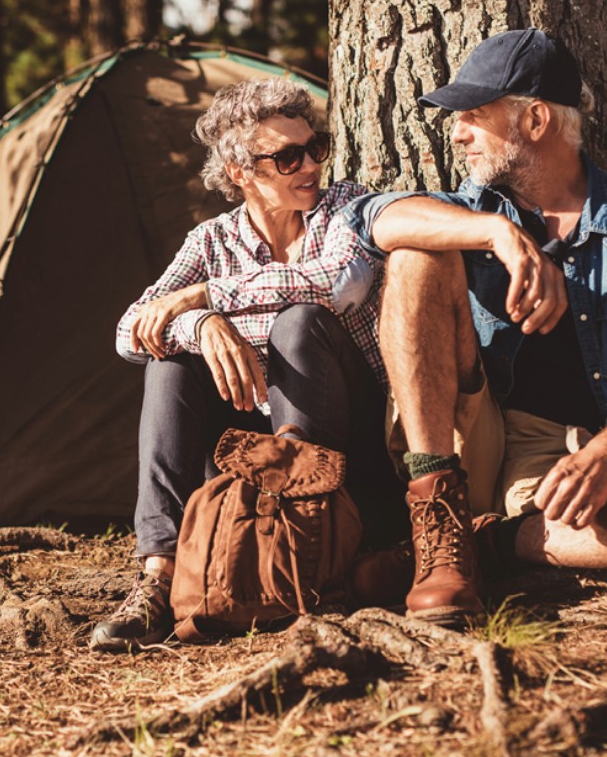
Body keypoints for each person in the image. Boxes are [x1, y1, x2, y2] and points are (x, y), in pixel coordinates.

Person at [346, 28, 607, 626]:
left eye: (473, 116)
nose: (457, 133)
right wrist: (499, 235)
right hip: (461, 433)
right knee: (415, 255)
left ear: (535, 120)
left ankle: (487, 545)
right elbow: (370, 219)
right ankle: (438, 524)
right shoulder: (471, 210)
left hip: (558, 458)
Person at [91, 77, 406, 652]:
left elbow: (336, 286)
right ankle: (158, 579)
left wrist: (208, 297)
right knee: (169, 362)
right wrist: (201, 326)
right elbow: (129, 331)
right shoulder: (211, 241)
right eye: (287, 157)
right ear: (241, 172)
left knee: (299, 323)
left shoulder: (345, 208)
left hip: (347, 451)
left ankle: (303, 552)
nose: (310, 164)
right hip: (252, 453)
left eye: (317, 147)